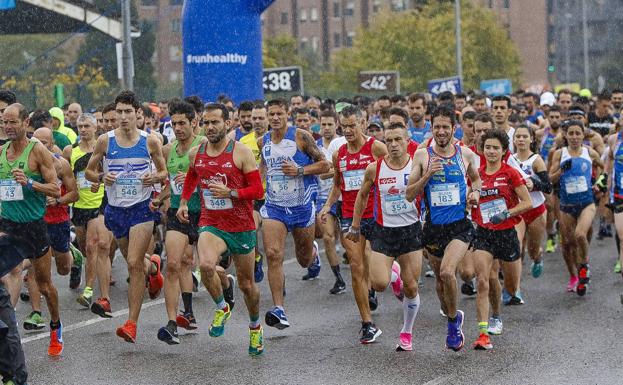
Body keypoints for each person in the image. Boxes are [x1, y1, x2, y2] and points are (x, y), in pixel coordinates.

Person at [175, 103, 265, 355]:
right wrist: (183, 201)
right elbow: (193, 175)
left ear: (228, 123)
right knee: (204, 265)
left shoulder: (242, 153)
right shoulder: (197, 152)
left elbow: (257, 191)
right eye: (206, 122)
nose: (210, 127)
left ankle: (255, 327)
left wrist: (231, 192)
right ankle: (221, 307)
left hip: (241, 226)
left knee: (247, 285)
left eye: (215, 122)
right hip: (212, 223)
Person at [85, 91, 167, 342]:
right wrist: (101, 177)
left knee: (132, 262)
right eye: (118, 112)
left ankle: (131, 323)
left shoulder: (150, 141)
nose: (122, 117)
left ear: (137, 114)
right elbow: (89, 172)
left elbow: (164, 173)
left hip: (141, 208)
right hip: (115, 210)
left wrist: (154, 177)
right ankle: (154, 267)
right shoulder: (105, 141)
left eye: (127, 112)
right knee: (135, 259)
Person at [406, 105, 481, 352]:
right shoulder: (422, 156)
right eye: (436, 127)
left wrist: (475, 193)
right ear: (431, 127)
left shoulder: (465, 154)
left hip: (459, 226)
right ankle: (453, 315)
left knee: (449, 273)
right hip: (433, 229)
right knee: (440, 281)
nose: (440, 131)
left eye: (445, 127)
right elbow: (409, 194)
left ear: (453, 128)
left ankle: (452, 324)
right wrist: (427, 175)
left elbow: (476, 178)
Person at [348, 123, 422, 352]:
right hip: (384, 230)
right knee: (379, 283)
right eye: (389, 140)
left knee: (411, 288)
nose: (393, 145)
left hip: (411, 230)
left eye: (398, 140)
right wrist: (355, 225)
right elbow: (362, 196)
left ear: (407, 141)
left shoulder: (416, 165)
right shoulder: (375, 168)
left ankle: (406, 332)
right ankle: (394, 273)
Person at [258, 99, 330, 329]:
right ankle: (279, 308)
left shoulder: (301, 136)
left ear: (287, 114)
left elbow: (324, 165)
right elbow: (263, 166)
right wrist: (258, 184)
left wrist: (300, 170)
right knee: (273, 253)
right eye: (272, 114)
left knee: (303, 259)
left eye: (279, 114)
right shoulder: (263, 141)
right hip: (274, 207)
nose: (275, 118)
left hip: (301, 207)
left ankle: (314, 254)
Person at [320, 105, 389, 344]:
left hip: (378, 214)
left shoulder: (377, 148)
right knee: (357, 266)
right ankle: (367, 323)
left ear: (363, 123)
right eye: (344, 126)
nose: (348, 130)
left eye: (352, 125)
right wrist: (328, 205)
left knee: (380, 280)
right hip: (351, 216)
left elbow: (394, 174)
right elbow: (338, 185)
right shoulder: (340, 153)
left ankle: (381, 282)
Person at [0, 103, 63, 356]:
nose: (8, 126)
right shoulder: (1, 152)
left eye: (13, 122)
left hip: (34, 226)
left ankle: (56, 325)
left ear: (26, 123)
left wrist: (30, 183)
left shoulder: (38, 152)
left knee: (46, 285)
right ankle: (8, 321)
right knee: (9, 270)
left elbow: (55, 189)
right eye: (5, 122)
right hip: (7, 224)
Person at [471, 129, 532, 350]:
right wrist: (471, 200)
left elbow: (527, 202)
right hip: (484, 233)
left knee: (512, 286)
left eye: (496, 147)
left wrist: (506, 213)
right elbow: (471, 198)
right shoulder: (476, 174)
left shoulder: (510, 173)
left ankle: (498, 312)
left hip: (507, 232)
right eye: (488, 147)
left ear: (504, 151)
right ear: (482, 149)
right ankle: (483, 332)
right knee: (482, 280)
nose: (491, 151)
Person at [153, 100, 205, 341]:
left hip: (205, 213)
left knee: (207, 266)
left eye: (182, 123)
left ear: (194, 122)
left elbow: (216, 177)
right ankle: (173, 322)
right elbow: (169, 183)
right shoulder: (168, 150)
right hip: (178, 211)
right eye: (174, 124)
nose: (178, 128)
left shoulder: (202, 145)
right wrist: (158, 198)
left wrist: (195, 178)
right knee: (174, 264)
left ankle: (225, 286)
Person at [22, 128, 79, 331]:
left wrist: (57, 200)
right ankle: (36, 313)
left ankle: (73, 255)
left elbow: (74, 194)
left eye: (45, 142)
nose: (41, 146)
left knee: (63, 269)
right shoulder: (28, 163)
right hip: (35, 222)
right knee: (34, 270)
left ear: (52, 143)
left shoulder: (61, 164)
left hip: (58, 221)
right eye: (37, 142)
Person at [63, 114, 112, 317]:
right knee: (85, 249)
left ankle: (90, 289)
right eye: (80, 126)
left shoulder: (103, 148)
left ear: (95, 127)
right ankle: (79, 260)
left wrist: (100, 181)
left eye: (86, 126)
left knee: (95, 244)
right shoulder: (70, 151)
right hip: (79, 205)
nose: (82, 130)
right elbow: (65, 176)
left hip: (101, 202)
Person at [549, 120, 603, 295]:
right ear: (565, 135)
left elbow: (604, 167)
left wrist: (599, 183)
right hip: (566, 205)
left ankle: (584, 265)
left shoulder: (589, 152)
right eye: (570, 133)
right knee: (567, 245)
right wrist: (561, 171)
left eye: (577, 133)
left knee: (580, 234)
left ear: (583, 135)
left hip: (587, 203)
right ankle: (574, 276)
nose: (574, 137)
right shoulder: (559, 154)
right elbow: (550, 179)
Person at [510, 125, 551, 278]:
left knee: (532, 250)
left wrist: (534, 184)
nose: (521, 139)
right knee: (517, 248)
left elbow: (548, 187)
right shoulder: (509, 160)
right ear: (513, 140)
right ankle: (514, 288)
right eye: (518, 136)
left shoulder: (536, 160)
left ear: (531, 139)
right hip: (518, 210)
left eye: (525, 136)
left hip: (535, 210)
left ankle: (537, 257)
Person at [313, 109, 346, 293]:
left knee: (348, 239)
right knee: (327, 237)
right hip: (321, 199)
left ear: (336, 125)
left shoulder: (342, 143)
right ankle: (339, 279)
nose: (326, 128)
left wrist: (330, 172)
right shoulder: (314, 146)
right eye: (323, 124)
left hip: (342, 196)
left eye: (329, 124)